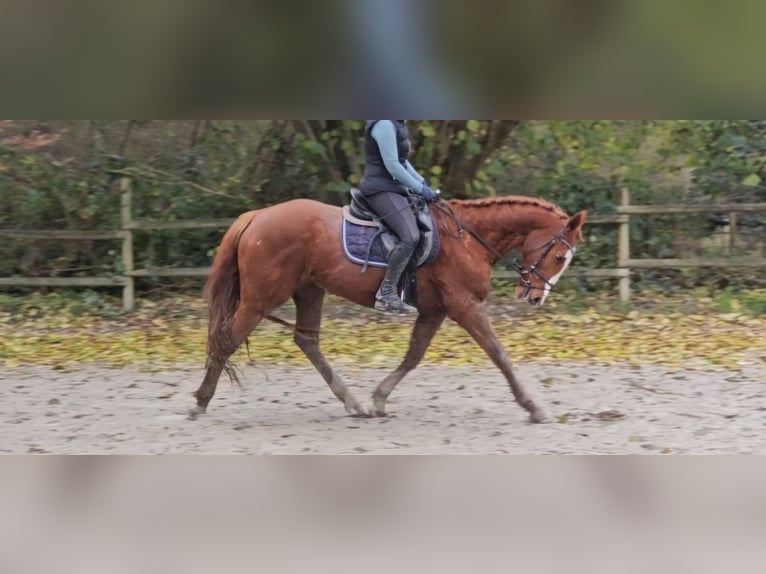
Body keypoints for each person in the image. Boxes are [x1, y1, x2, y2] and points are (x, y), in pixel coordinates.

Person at [359, 120, 438, 314]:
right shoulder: (384, 123)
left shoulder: (397, 123)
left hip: (394, 188)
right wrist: (419, 188)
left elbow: (402, 161)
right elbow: (392, 165)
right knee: (410, 236)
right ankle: (386, 294)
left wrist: (420, 181)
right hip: (379, 189)